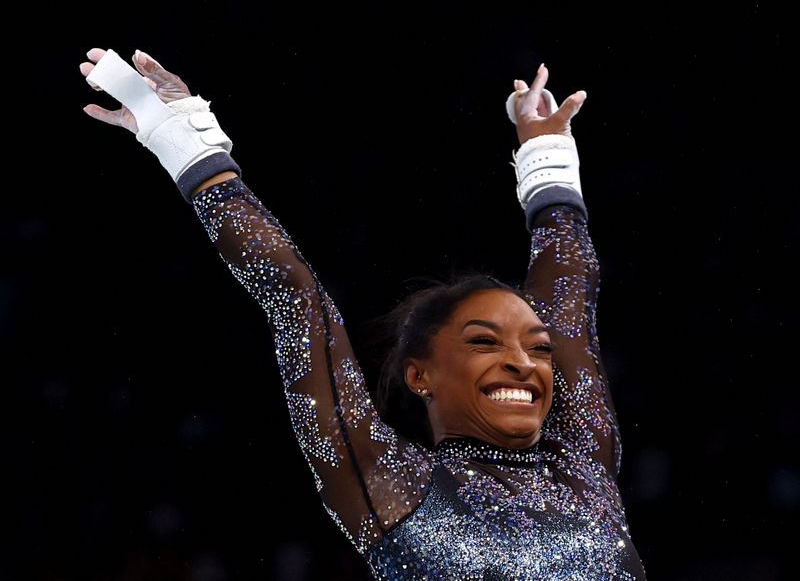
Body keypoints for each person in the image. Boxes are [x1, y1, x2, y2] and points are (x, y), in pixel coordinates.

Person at [80, 47, 647, 580]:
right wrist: (185, 141)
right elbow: (297, 301)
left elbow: (570, 300)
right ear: (419, 374)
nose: (524, 363)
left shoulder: (584, 465)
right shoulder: (388, 481)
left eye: (539, 347)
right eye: (484, 342)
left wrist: (546, 161)